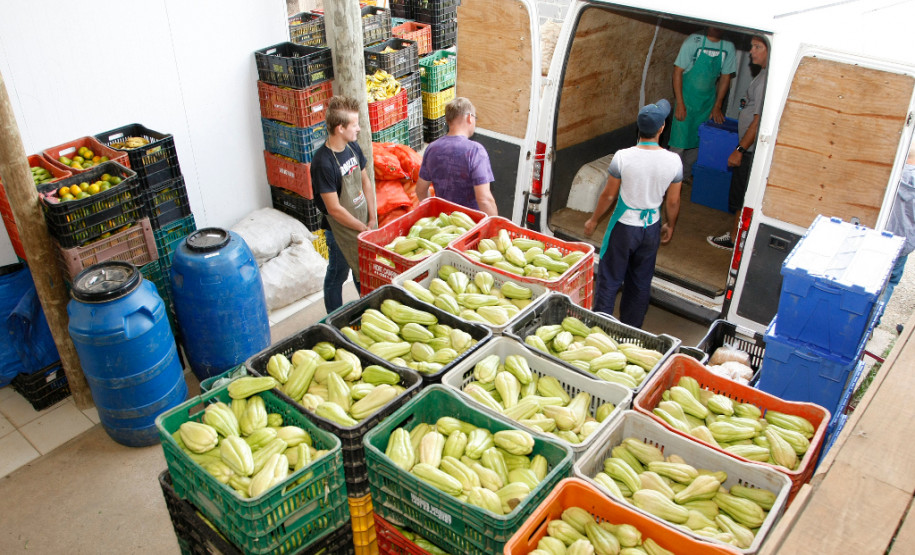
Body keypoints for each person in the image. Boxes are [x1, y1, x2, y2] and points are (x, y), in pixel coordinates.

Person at [584, 100, 683, 327]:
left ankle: (600, 330)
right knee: (640, 283)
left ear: (638, 129)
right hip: (651, 228)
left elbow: (609, 195)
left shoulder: (622, 156)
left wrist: (594, 219)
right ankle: (631, 330)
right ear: (661, 129)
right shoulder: (674, 161)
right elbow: (674, 200)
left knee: (609, 279)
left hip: (624, 227)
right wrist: (670, 224)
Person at [310, 96, 377, 313]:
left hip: (362, 222)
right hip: (339, 230)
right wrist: (362, 228)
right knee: (338, 273)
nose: (358, 128)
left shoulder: (353, 147)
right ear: (340, 128)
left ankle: (370, 312)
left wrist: (372, 216)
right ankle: (334, 316)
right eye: (354, 124)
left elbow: (365, 181)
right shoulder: (323, 162)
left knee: (362, 271)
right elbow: (334, 209)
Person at [708, 35, 769, 250]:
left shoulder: (766, 81)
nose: (752, 51)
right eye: (752, 46)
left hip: (750, 150)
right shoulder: (763, 75)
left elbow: (759, 118)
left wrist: (740, 149)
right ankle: (738, 236)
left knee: (742, 196)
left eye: (757, 47)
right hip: (748, 149)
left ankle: (735, 239)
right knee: (740, 194)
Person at [669, 27, 737, 183]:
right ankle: (671, 179)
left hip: (707, 102)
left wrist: (717, 105)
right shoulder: (694, 41)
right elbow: (677, 71)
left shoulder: (728, 46)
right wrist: (680, 102)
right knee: (679, 142)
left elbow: (725, 78)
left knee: (698, 141)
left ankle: (685, 175)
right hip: (686, 99)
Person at [416, 97, 498, 216]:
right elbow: (484, 199)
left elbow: (420, 190)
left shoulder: (432, 148)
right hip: (470, 225)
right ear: (470, 118)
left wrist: (436, 214)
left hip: (444, 224)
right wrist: (495, 227)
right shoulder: (475, 151)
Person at [881, 144, 915, 311]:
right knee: (889, 282)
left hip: (880, 235)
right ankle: (874, 321)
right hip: (903, 243)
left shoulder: (892, 174)